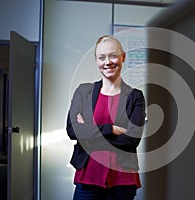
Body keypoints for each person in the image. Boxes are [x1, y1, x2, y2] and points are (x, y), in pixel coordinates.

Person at [66, 35, 146, 200]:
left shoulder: (135, 96)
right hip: (87, 176)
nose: (107, 62)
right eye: (101, 57)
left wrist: (88, 135)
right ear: (96, 60)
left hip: (123, 180)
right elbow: (72, 130)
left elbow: (132, 140)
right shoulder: (84, 92)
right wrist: (112, 129)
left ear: (123, 57)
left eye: (113, 56)